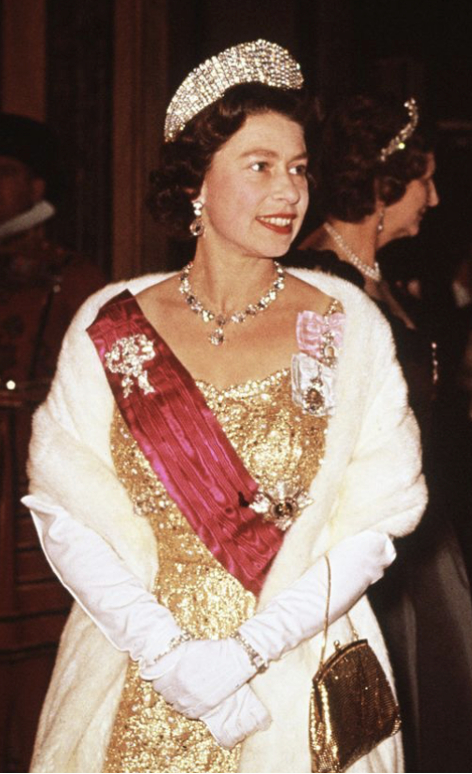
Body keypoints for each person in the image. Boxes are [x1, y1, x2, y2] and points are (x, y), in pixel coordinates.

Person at [23, 43, 426, 773]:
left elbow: (376, 521)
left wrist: (247, 650)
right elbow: (63, 508)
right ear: (195, 184)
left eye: (299, 168)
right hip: (136, 665)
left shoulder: (343, 323)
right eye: (260, 166)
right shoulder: (111, 325)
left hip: (297, 662)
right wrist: (168, 654)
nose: (289, 192)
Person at [300, 94, 472, 772]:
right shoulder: (318, 280)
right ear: (382, 185)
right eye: (424, 180)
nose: (434, 197)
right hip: (365, 540)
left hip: (419, 529)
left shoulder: (380, 276)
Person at [0, 113, 105, 771]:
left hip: (29, 502)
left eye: (5, 172)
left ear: (36, 185)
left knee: (34, 691)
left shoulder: (74, 279)